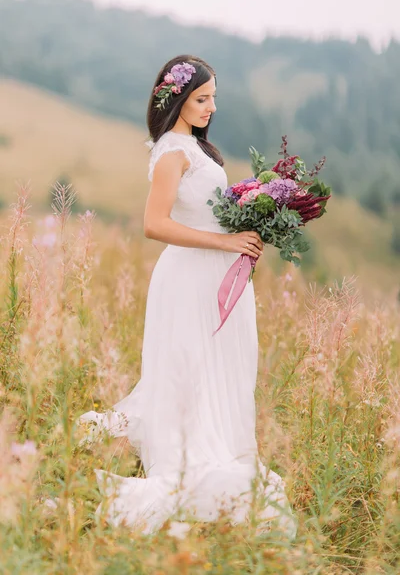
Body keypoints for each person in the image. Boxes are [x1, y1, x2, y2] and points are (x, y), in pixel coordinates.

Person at [76, 54, 297, 540]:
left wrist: (246, 223)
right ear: (177, 98)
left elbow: (206, 213)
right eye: (201, 98)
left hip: (214, 275)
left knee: (216, 371)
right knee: (192, 370)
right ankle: (188, 463)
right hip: (188, 280)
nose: (211, 107)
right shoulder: (172, 152)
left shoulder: (195, 149)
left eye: (214, 97)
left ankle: (216, 443)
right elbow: (155, 224)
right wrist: (225, 242)